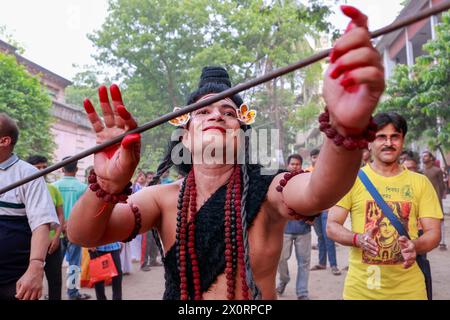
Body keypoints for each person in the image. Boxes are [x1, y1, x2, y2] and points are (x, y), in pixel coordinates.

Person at [68, 6, 386, 300]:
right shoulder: (160, 199)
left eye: (228, 112)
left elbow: (320, 190)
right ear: (186, 138)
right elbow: (84, 234)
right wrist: (106, 187)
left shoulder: (270, 190)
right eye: (203, 112)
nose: (217, 115)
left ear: (241, 138)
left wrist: (345, 129)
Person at [327, 112, 443, 300]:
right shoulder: (352, 180)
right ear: (370, 142)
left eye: (394, 137)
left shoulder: (420, 183)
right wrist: (357, 239)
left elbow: (434, 233)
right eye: (381, 137)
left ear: (402, 140)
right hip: (361, 291)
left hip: (409, 291)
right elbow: (332, 226)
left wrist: (415, 245)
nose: (388, 143)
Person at [0, 113, 59, 300]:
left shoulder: (28, 175)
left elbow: (41, 224)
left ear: (4, 141)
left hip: (14, 281)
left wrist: (35, 267)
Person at [26, 155, 65, 300]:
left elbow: (60, 216)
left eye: (44, 167)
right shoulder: (24, 188)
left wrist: (56, 237)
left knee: (55, 280)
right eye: (38, 167)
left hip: (53, 244)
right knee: (32, 281)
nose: (42, 170)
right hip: (32, 245)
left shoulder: (53, 189)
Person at [53, 157, 91, 300]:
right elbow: (85, 211)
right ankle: (73, 293)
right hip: (75, 232)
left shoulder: (54, 186)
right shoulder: (83, 188)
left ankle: (53, 292)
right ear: (76, 169)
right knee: (74, 263)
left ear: (62, 169)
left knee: (55, 264)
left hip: (56, 231)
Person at [276, 154, 312, 300]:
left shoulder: (307, 180)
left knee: (304, 262)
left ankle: (302, 292)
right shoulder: (279, 182)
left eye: (298, 164)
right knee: (281, 260)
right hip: (284, 230)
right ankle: (284, 280)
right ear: (287, 164)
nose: (295, 166)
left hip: (304, 230)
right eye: (292, 164)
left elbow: (316, 200)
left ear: (301, 166)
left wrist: (313, 216)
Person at [422, 151, 447, 251]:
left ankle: (442, 242)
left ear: (431, 158)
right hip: (423, 199)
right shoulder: (421, 171)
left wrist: (440, 197)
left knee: (440, 219)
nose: (424, 158)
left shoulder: (437, 170)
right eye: (423, 156)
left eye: (426, 156)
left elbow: (441, 185)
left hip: (436, 198)